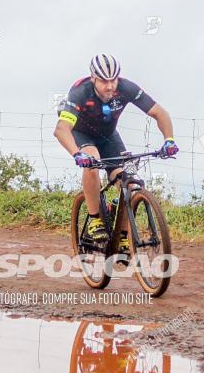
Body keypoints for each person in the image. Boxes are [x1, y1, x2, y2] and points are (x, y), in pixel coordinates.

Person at [54, 54, 179, 251]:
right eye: (104, 80)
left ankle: (122, 236)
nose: (110, 85)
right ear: (93, 78)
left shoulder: (126, 88)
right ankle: (95, 220)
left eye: (114, 79)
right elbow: (61, 129)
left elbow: (160, 113)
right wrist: (77, 154)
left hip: (109, 137)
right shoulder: (80, 92)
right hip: (81, 134)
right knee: (92, 163)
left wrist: (169, 140)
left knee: (127, 182)